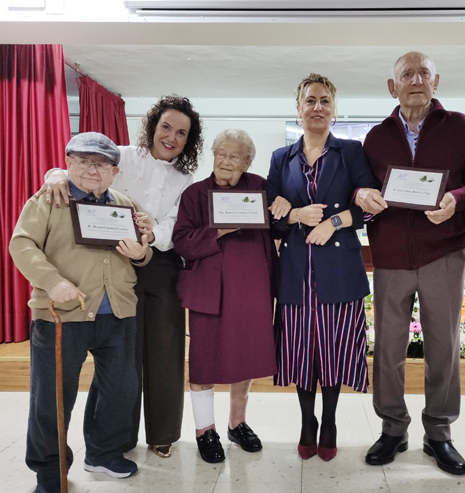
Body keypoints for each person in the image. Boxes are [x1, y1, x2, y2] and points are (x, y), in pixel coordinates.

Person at [36, 95, 203, 458]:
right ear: (152, 126)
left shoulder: (186, 178)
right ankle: (115, 440)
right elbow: (80, 169)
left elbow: (176, 226)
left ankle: (163, 433)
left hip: (160, 265)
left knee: (165, 352)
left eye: (181, 133)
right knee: (121, 357)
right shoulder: (122, 156)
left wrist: (149, 237)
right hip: (109, 263)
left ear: (188, 140)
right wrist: (53, 176)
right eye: (166, 127)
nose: (171, 137)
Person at [355, 52, 465, 474]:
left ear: (436, 82)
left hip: (444, 252)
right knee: (388, 347)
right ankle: (393, 428)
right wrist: (363, 195)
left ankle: (439, 433)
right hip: (391, 255)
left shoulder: (460, 126)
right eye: (406, 74)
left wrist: (456, 200)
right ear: (392, 87)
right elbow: (363, 188)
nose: (416, 79)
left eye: (424, 73)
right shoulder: (375, 137)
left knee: (444, 348)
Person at [10, 132, 152, 493]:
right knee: (53, 398)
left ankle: (103, 453)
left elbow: (141, 252)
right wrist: (51, 281)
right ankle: (49, 470)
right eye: (85, 161)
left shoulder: (123, 202)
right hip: (62, 314)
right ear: (68, 162)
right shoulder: (48, 198)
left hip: (118, 313)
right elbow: (22, 244)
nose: (93, 169)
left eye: (102, 164)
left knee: (119, 390)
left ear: (114, 171)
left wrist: (142, 253)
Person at [266, 73, 380, 462]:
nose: (318, 107)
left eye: (325, 101)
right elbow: (273, 216)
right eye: (310, 101)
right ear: (298, 110)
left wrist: (332, 222)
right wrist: (296, 213)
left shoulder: (351, 152)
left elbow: (369, 205)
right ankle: (306, 421)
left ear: (334, 109)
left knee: (333, 352)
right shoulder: (282, 158)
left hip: (339, 270)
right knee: (301, 352)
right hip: (297, 273)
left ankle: (329, 420)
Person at [172, 129, 278, 463]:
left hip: (253, 291)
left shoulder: (260, 187)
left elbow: (280, 224)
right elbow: (182, 242)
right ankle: (205, 429)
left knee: (244, 358)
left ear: (247, 161)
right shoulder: (194, 194)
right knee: (204, 362)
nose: (226, 161)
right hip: (208, 292)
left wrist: (285, 205)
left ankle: (237, 423)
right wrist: (220, 229)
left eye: (234, 156)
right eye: (220, 153)